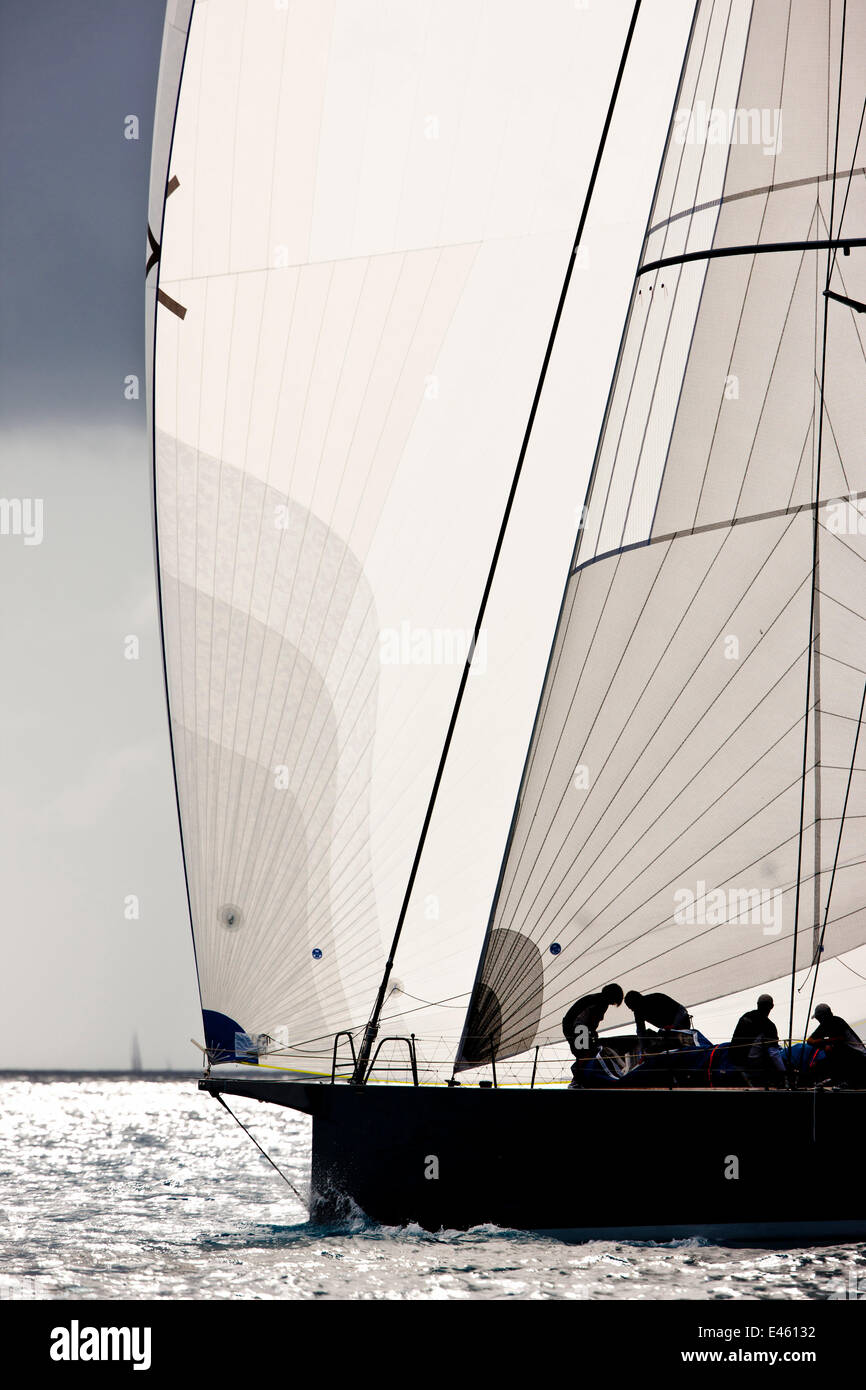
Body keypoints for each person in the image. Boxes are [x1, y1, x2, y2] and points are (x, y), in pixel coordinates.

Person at [562, 984, 623, 1086]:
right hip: (578, 1028)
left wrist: (591, 1035)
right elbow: (582, 1021)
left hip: (575, 1027)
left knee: (584, 1053)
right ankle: (577, 1080)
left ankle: (578, 1079)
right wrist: (587, 1036)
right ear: (612, 996)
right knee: (584, 1053)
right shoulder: (599, 1002)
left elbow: (590, 1021)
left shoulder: (599, 1000)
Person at [729, 994, 786, 1087]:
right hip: (750, 1062)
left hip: (734, 1057)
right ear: (772, 1006)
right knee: (775, 1059)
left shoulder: (745, 1016)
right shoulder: (769, 1026)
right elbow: (773, 1053)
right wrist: (784, 1072)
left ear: (757, 1004)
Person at [806, 1004, 866, 1087]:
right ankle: (835, 1078)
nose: (818, 1020)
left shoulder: (837, 1021)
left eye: (818, 1018)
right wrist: (823, 1043)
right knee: (822, 1060)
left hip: (858, 1055)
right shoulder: (824, 1025)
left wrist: (823, 1041)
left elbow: (840, 1039)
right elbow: (809, 1041)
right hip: (848, 1054)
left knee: (833, 1049)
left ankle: (842, 1079)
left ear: (823, 1017)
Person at [624, 990, 691, 1038]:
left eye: (633, 1008)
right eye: (631, 1009)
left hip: (682, 1024)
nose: (633, 1010)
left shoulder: (657, 997)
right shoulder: (638, 1012)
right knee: (649, 1034)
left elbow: (682, 1010)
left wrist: (673, 1026)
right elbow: (641, 1031)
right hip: (668, 1030)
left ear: (638, 1002)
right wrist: (643, 1049)